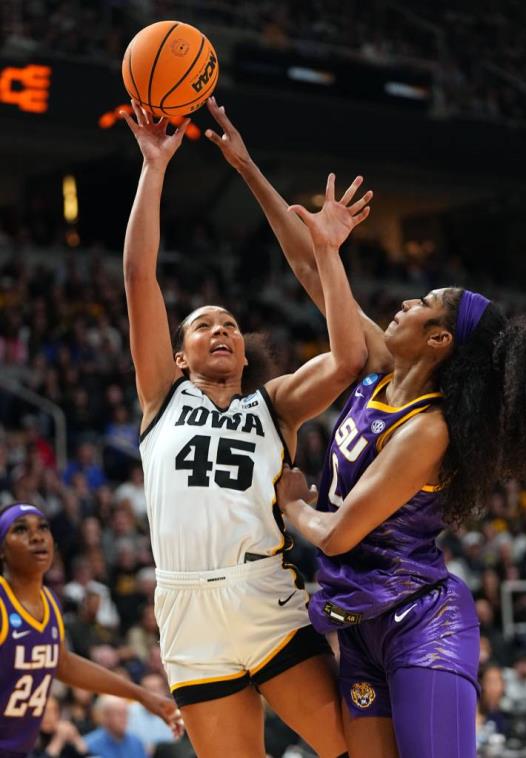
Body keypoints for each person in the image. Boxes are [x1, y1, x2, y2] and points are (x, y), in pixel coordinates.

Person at [203, 97, 526, 757]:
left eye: (422, 304)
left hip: (422, 622)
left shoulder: (427, 430)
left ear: (436, 342)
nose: (403, 301)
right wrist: (246, 165)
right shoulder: (375, 370)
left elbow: (339, 534)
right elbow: (314, 271)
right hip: (363, 622)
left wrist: (292, 505)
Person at [121, 97, 372, 757]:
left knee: (352, 746)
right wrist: (154, 168)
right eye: (204, 324)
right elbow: (138, 275)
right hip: (184, 608)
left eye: (229, 322)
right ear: (180, 356)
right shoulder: (161, 396)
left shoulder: (275, 404)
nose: (221, 329)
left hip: (263, 593)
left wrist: (327, 254)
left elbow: (349, 358)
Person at [0, 502, 183, 758]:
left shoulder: (50, 601)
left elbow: (63, 663)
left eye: (43, 527)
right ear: (2, 550)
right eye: (20, 530)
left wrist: (142, 695)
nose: (36, 536)